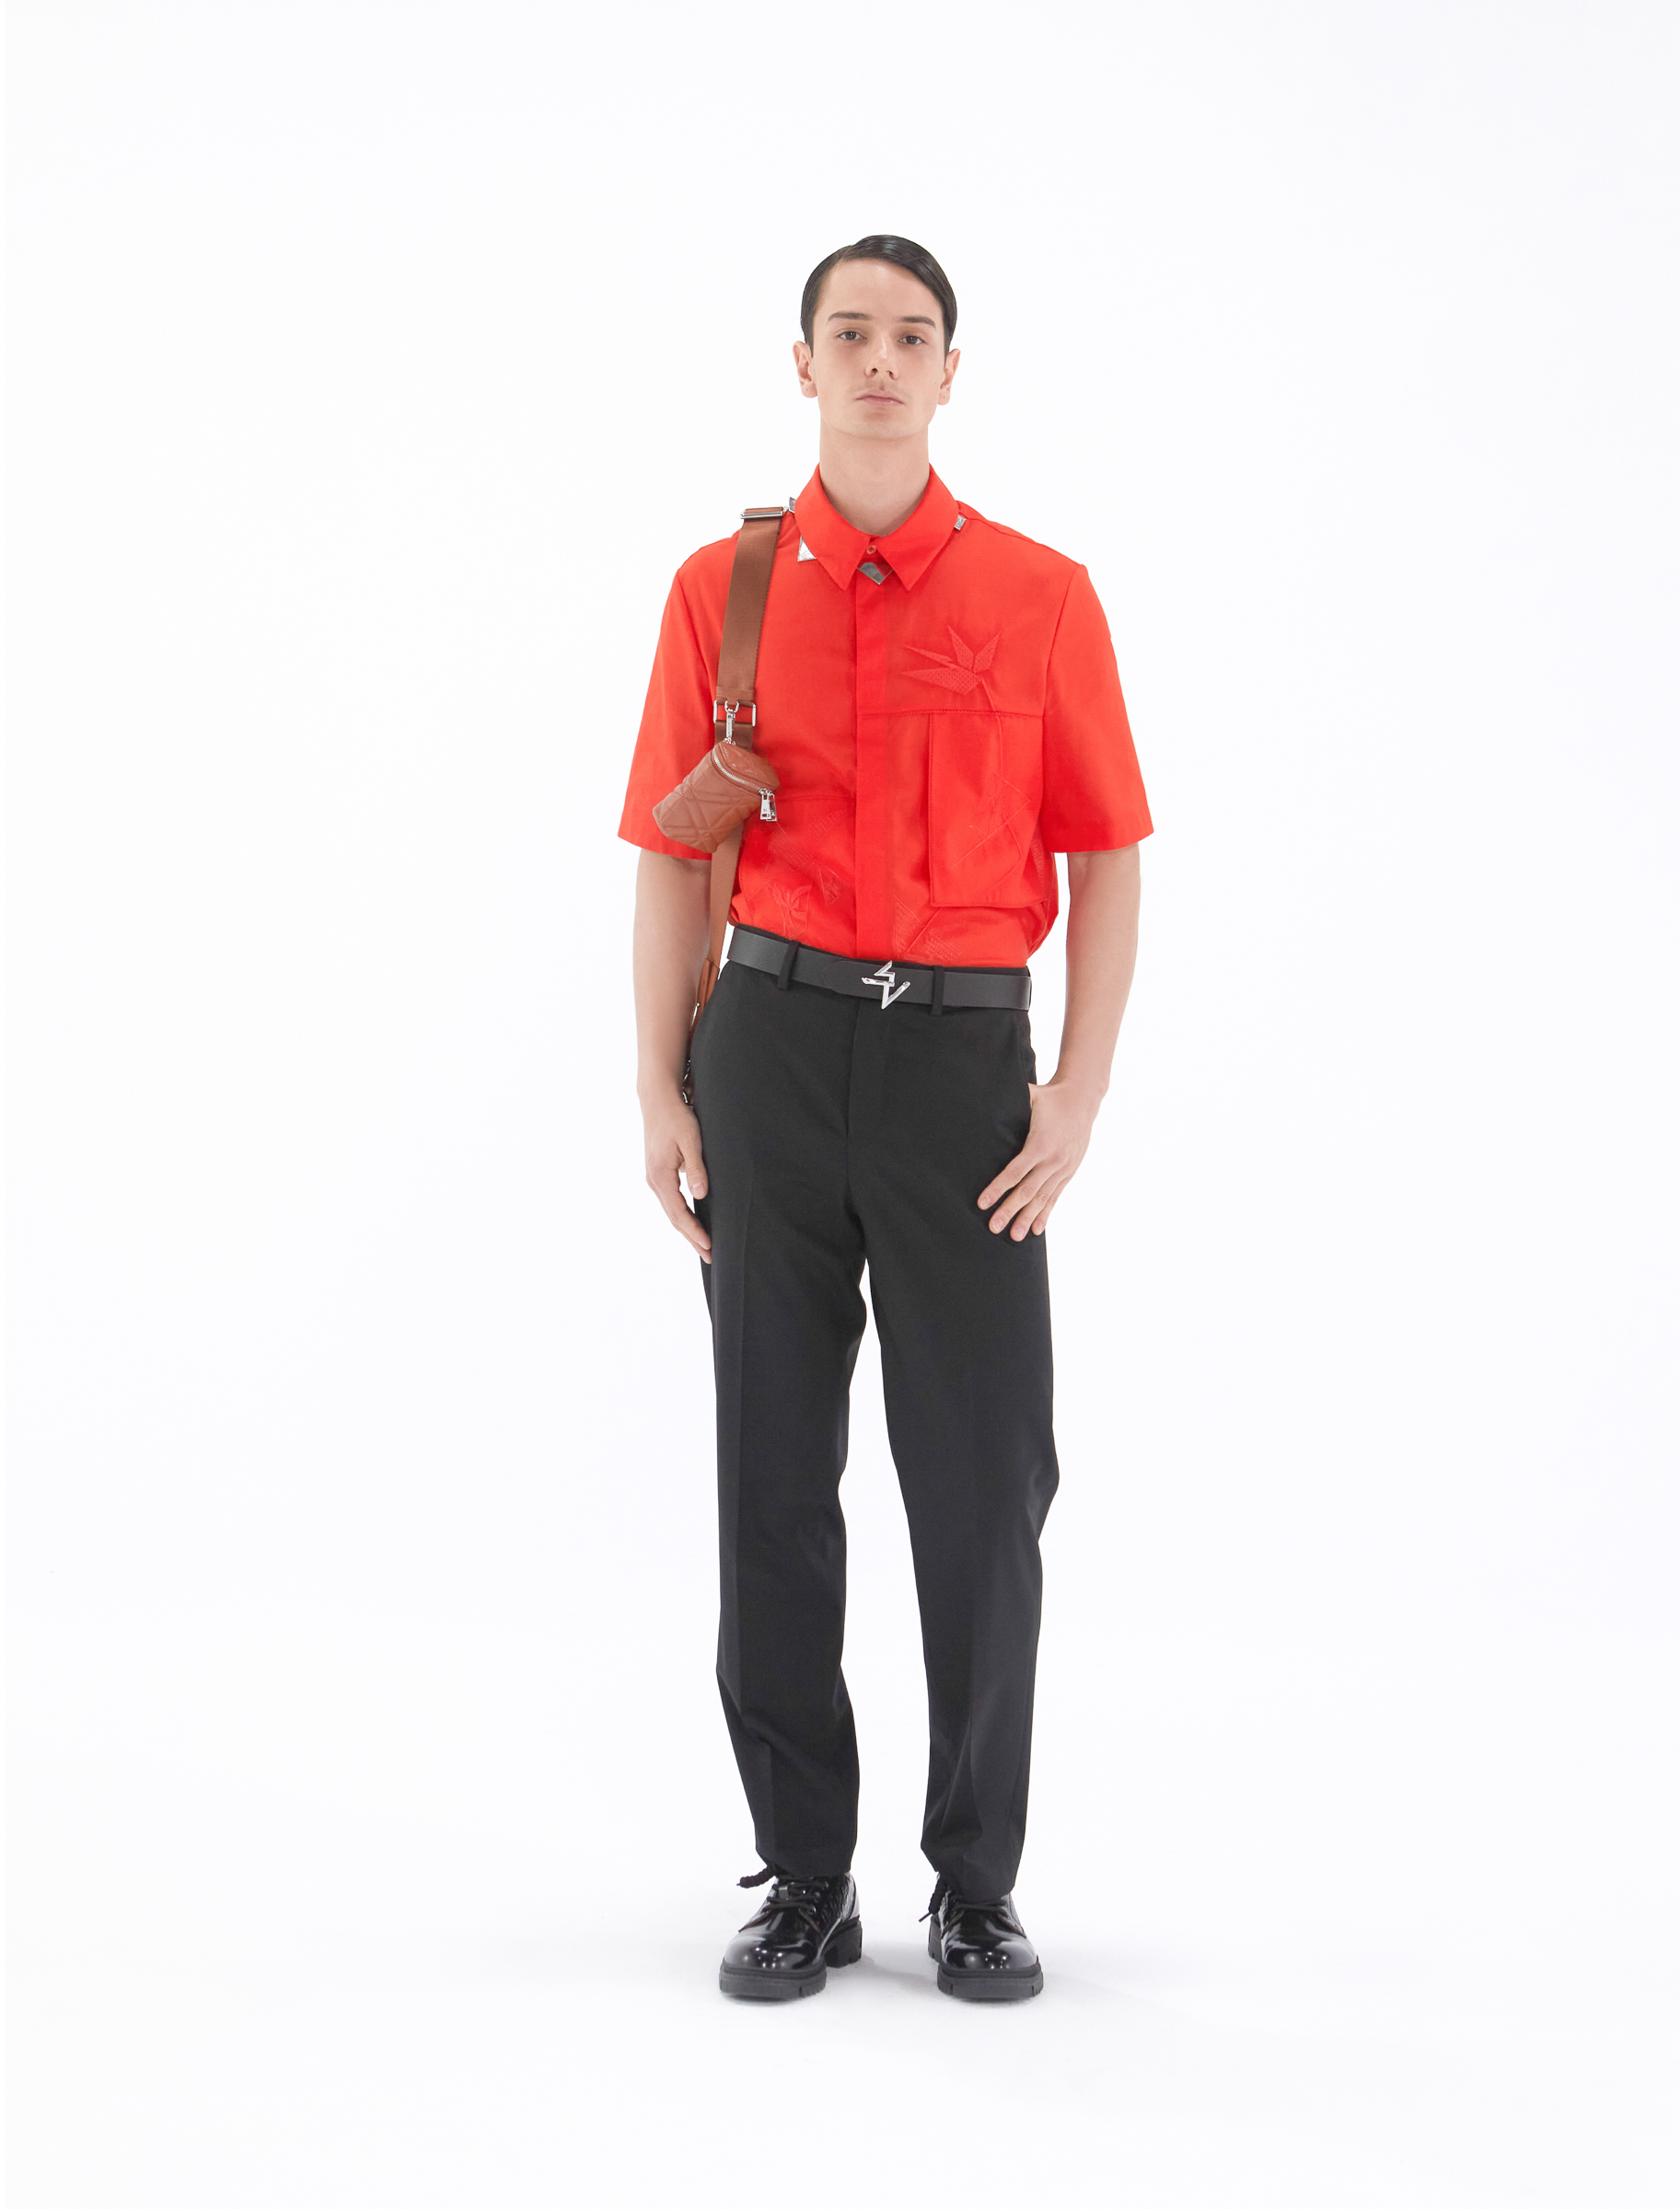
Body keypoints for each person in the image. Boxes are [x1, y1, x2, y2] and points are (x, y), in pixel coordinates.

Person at [620, 236, 1151, 2002]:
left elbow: (1109, 854)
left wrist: (1078, 1089)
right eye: (847, 332)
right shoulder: (719, 591)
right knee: (771, 1471)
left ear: (948, 371)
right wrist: (657, 1081)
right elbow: (674, 853)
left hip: (962, 1079)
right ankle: (804, 1876)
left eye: (910, 336)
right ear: (802, 363)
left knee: (984, 1483)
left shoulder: (1041, 595)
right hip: (767, 1055)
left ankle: (976, 1885)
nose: (877, 361)